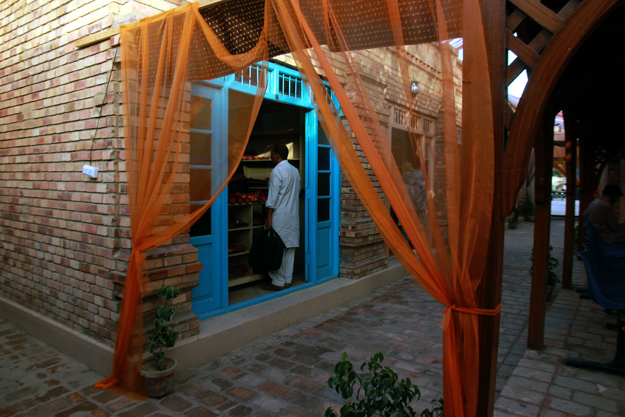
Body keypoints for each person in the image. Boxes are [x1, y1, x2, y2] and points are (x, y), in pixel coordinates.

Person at [263, 144, 301, 290]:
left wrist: (269, 216)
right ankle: (287, 280)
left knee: (275, 248)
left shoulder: (277, 171)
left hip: (280, 215)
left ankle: (277, 281)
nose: (270, 157)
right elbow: (297, 192)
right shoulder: (294, 171)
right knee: (289, 248)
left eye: (271, 154)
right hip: (292, 215)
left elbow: (273, 197)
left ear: (277, 155)